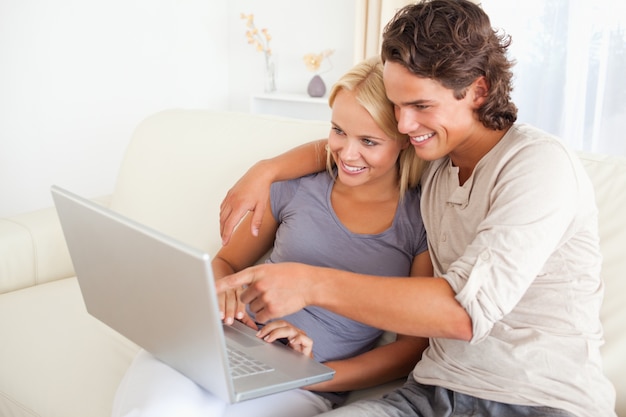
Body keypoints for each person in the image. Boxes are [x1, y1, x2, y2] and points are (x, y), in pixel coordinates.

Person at [216, 1, 617, 416]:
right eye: (397, 105)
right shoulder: (436, 159)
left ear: (478, 90)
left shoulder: (538, 165)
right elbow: (351, 147)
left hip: (538, 400)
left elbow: (463, 313)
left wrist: (310, 284)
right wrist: (266, 170)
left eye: (421, 106)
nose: (404, 125)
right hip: (430, 391)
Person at [111, 57, 432, 417]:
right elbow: (227, 262)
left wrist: (315, 376)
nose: (347, 152)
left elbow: (413, 346)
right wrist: (226, 293)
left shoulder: (420, 221)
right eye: (338, 130)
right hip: (223, 342)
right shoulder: (299, 188)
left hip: (302, 379)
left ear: (404, 140)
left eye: (369, 141)